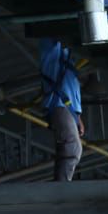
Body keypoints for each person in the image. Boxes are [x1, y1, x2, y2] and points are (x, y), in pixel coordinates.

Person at [40, 38, 84, 181]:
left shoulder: (67, 58)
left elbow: (72, 90)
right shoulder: (53, 52)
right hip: (59, 104)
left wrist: (78, 117)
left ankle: (61, 186)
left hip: (66, 107)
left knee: (71, 148)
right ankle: (62, 188)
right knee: (72, 148)